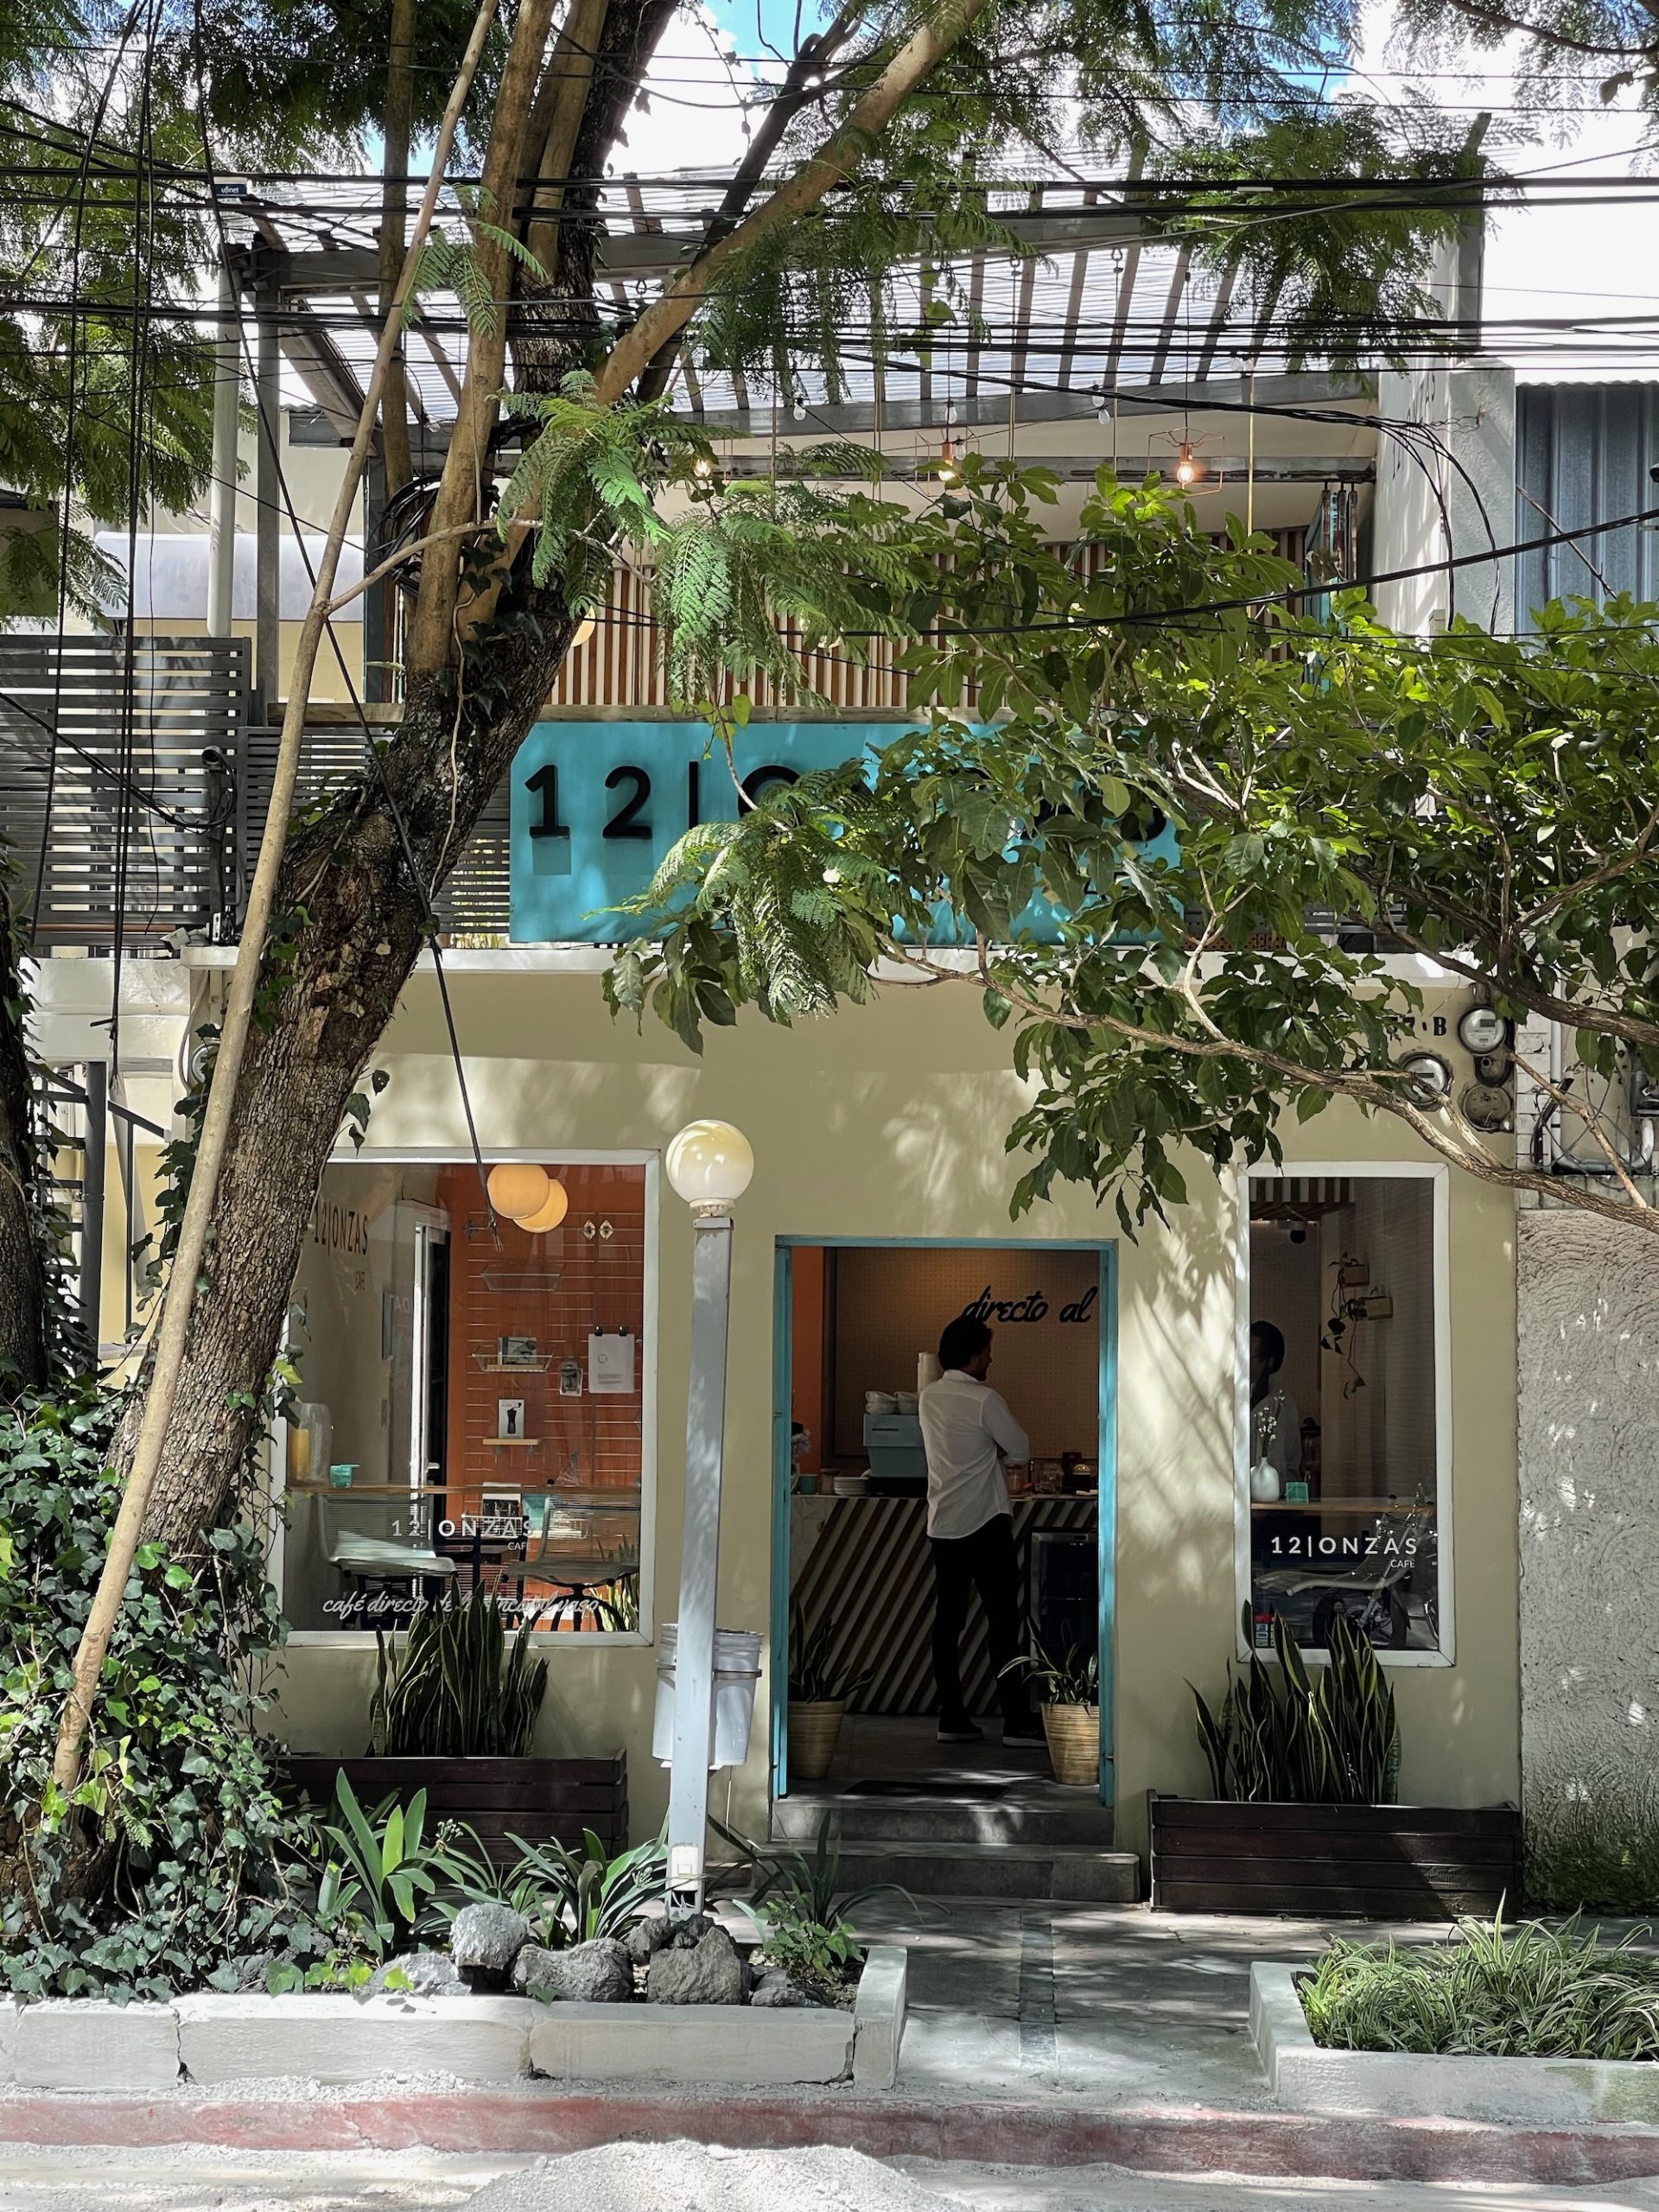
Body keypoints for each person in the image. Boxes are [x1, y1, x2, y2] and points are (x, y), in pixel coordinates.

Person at [918, 1314, 1042, 1748]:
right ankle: (1015, 1721)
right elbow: (1021, 1448)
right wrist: (994, 1463)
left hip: (943, 1523)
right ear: (973, 1357)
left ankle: (951, 1717)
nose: (992, 1357)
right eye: (988, 1350)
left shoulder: (928, 1398)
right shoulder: (984, 1399)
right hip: (987, 1523)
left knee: (948, 1623)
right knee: (1003, 1623)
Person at [1249, 1320, 1302, 1481]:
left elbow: (1275, 1462)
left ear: (1269, 1361)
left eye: (1251, 1356)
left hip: (1272, 1494)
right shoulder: (1249, 1393)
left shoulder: (1280, 1403)